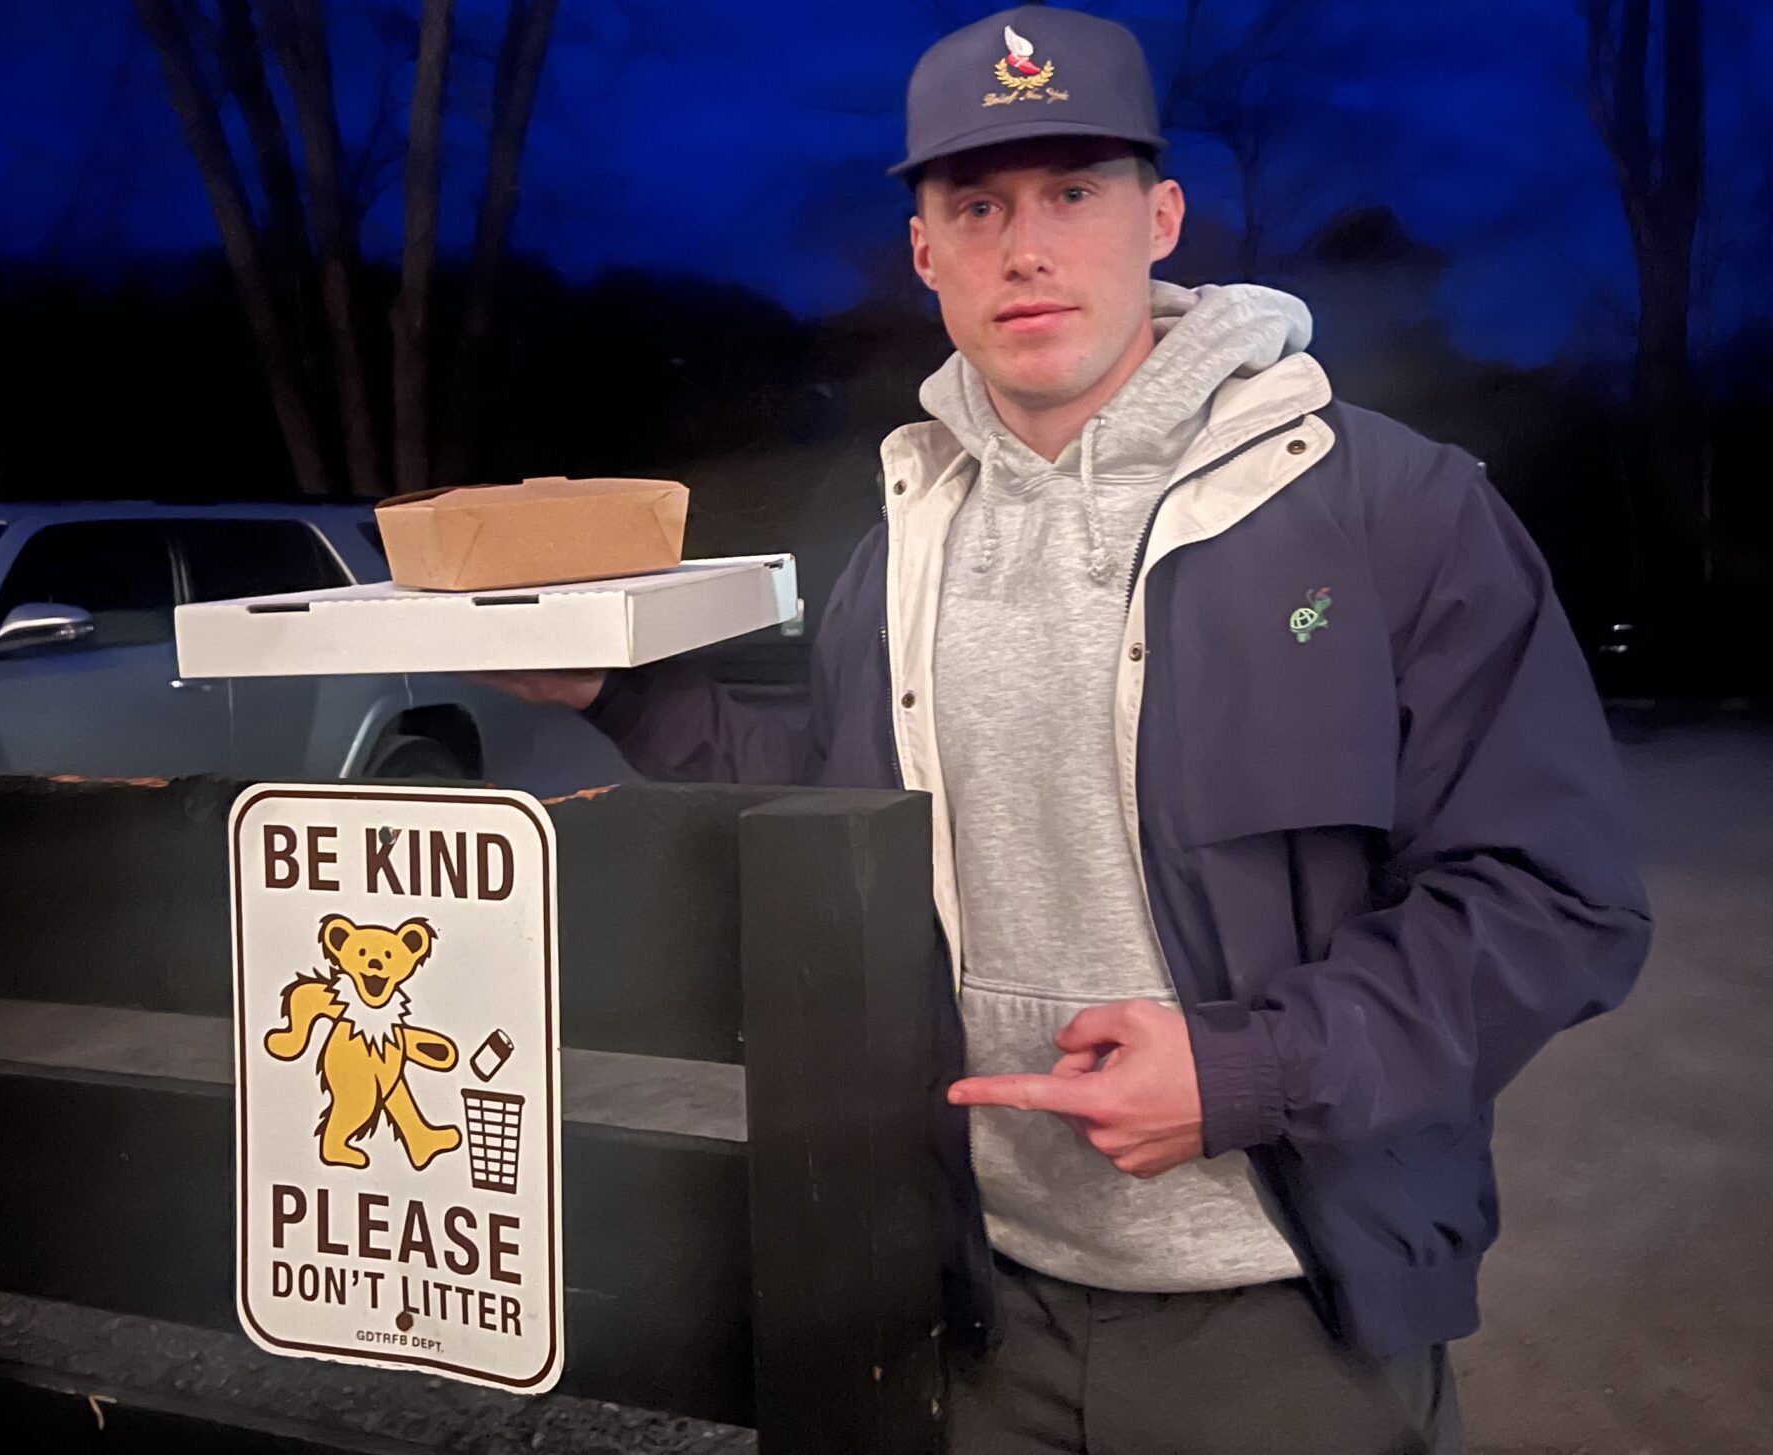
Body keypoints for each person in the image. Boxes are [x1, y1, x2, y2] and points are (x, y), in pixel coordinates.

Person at [484, 7, 1652, 1451]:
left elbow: (1554, 900)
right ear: (925, 254)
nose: (1024, 247)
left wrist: (1245, 1071)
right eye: (976, 206)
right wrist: (623, 689)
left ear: (1160, 217)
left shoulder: (1391, 512)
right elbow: (837, 798)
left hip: (1282, 1320)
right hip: (977, 1302)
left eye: (1072, 194)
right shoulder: (906, 538)